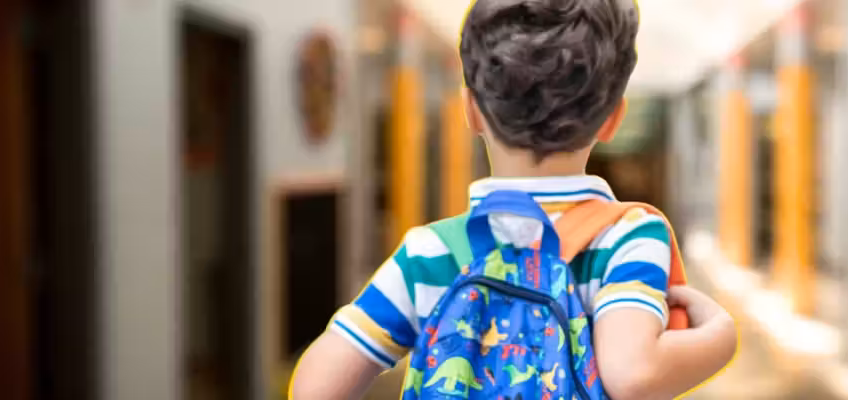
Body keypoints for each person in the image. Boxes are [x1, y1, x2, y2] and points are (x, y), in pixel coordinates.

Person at [291, 0, 737, 398]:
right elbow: (633, 374)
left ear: (470, 110)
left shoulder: (428, 252)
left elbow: (315, 387)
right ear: (612, 119)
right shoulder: (629, 238)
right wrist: (721, 338)